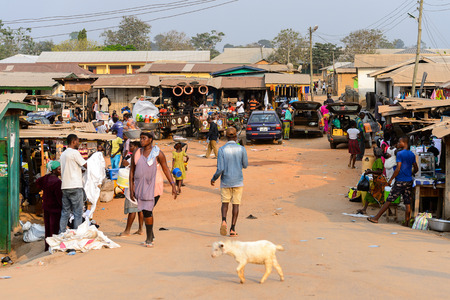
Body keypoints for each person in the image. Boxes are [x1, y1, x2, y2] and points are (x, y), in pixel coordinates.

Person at [129, 131, 177, 247]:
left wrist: (173, 185)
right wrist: (131, 188)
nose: (141, 140)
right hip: (140, 186)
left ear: (150, 139)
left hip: (155, 186)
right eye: (140, 138)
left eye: (144, 138)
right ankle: (151, 235)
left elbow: (165, 169)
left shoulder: (157, 153)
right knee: (146, 211)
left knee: (147, 210)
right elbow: (132, 171)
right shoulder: (136, 152)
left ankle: (149, 239)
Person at [368, 136, 418, 225]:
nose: (398, 144)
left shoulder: (400, 154)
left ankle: (376, 218)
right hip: (408, 181)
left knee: (389, 199)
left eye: (399, 142)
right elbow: (416, 168)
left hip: (400, 181)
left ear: (404, 143)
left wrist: (391, 179)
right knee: (407, 201)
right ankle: (407, 222)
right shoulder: (412, 154)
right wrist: (410, 173)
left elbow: (398, 168)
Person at [211, 127, 248, 237]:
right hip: (238, 180)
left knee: (225, 202)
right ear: (236, 136)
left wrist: (213, 178)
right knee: (236, 204)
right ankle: (232, 228)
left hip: (225, 180)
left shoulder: (222, 150)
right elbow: (245, 165)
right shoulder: (241, 149)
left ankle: (223, 221)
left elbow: (220, 169)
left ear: (226, 137)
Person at [59, 134, 87, 232]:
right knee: (78, 212)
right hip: (75, 186)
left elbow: (71, 168)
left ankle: (61, 233)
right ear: (73, 141)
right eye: (78, 141)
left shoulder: (63, 154)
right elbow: (85, 165)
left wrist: (80, 170)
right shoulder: (75, 153)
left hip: (65, 186)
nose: (78, 143)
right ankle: (77, 234)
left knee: (65, 212)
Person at [118, 141, 144, 237]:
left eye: (131, 146)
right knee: (140, 208)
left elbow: (135, 169)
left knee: (132, 208)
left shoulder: (134, 157)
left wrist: (127, 164)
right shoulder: (142, 156)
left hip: (133, 185)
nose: (130, 148)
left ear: (136, 147)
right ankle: (140, 229)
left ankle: (127, 231)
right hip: (141, 185)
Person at [36, 161, 62, 251]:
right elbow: (59, 198)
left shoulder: (45, 178)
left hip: (46, 207)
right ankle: (53, 247)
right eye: (59, 169)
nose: (61, 170)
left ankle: (47, 247)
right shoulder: (58, 182)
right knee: (54, 229)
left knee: (48, 229)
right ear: (54, 170)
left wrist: (44, 188)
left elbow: (37, 182)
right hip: (55, 209)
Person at [356, 147, 388, 215]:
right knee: (372, 194)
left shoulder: (378, 161)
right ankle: (364, 209)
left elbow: (379, 171)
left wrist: (370, 172)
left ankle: (388, 211)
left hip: (379, 181)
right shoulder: (377, 160)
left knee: (380, 196)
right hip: (377, 181)